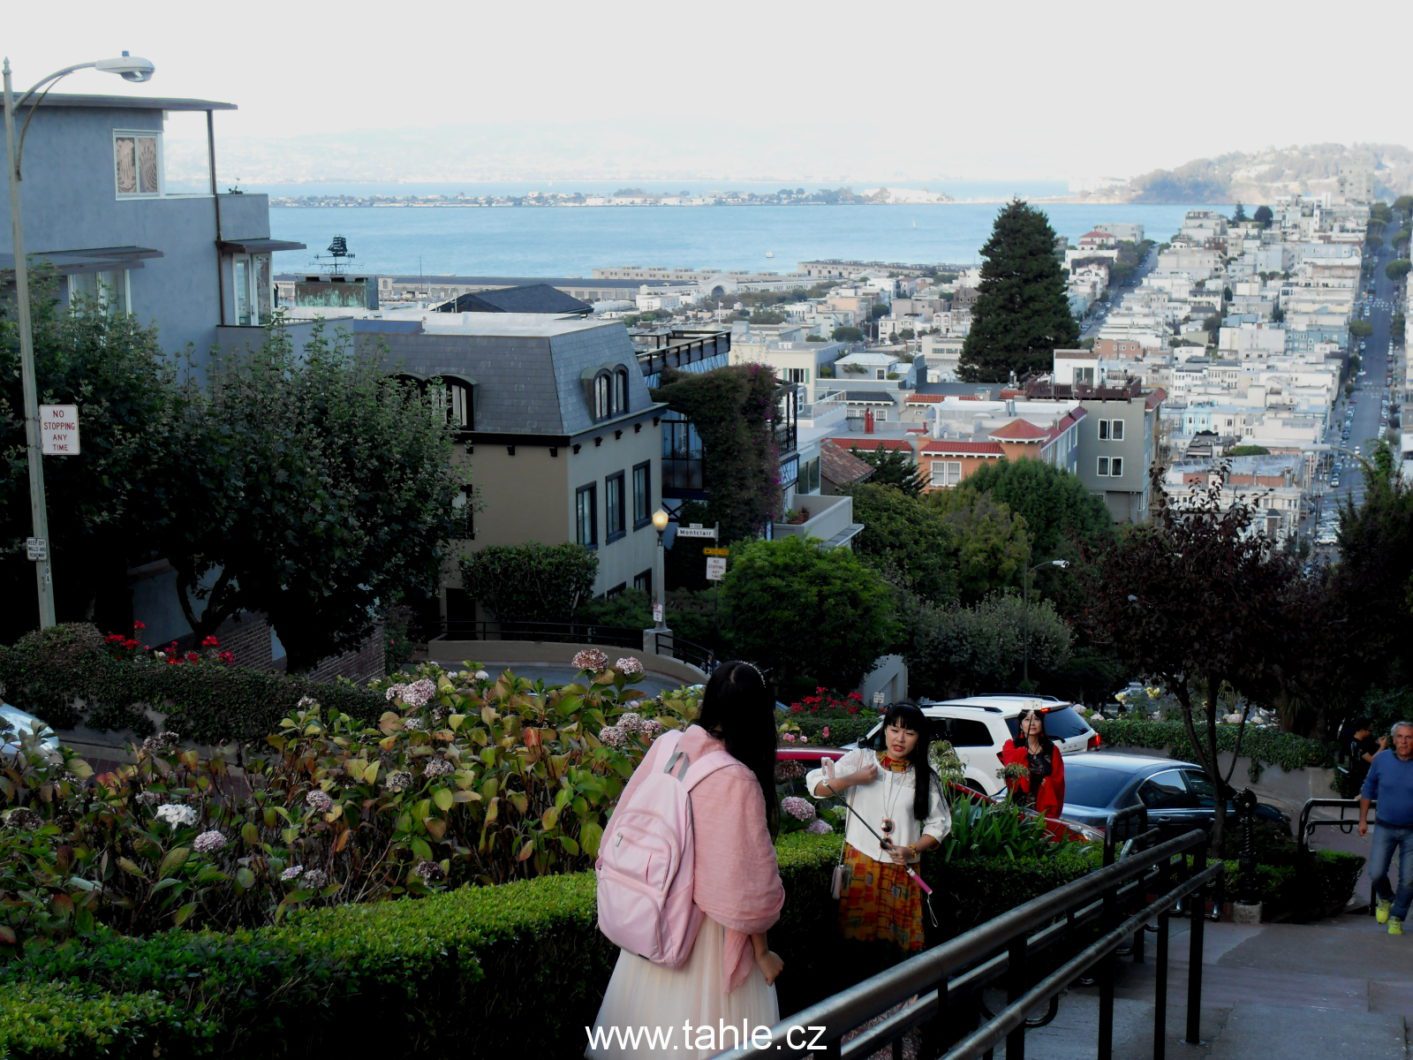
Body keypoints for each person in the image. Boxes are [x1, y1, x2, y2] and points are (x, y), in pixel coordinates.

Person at [588, 661, 785, 1058]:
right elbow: (746, 890)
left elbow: (621, 823)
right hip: (705, 940)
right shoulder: (736, 778)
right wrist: (762, 952)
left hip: (654, 920)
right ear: (758, 715)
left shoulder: (668, 746)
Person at [806, 701, 951, 954]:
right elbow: (817, 787)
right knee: (855, 950)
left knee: (897, 951)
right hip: (861, 864)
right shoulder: (861, 759)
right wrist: (855, 778)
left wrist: (911, 849)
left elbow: (939, 825)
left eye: (909, 732)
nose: (900, 739)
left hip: (901, 869)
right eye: (894, 729)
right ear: (884, 731)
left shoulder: (925, 777)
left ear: (919, 738)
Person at [1359, 720, 1413, 936]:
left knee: (1410, 878)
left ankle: (1397, 917)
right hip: (1384, 826)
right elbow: (1367, 789)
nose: (1404, 741)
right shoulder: (1381, 760)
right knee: (1376, 872)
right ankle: (1387, 899)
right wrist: (1362, 820)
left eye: (1409, 737)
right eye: (1400, 737)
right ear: (1393, 739)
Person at [998, 707, 1066, 818]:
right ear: (1021, 725)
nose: (1032, 723)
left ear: (1041, 724)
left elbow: (1059, 779)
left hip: (1043, 808)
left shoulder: (1052, 749)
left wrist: (1048, 782)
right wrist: (1022, 752)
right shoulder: (1011, 746)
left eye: (1036, 719)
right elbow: (1010, 772)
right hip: (1018, 808)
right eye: (1027, 720)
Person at [1346, 718, 1383, 794]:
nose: (1371, 733)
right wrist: (1382, 746)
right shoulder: (1358, 745)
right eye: (1370, 730)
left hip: (1358, 777)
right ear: (1362, 729)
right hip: (1359, 779)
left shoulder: (1353, 741)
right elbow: (1372, 760)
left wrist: (1378, 743)